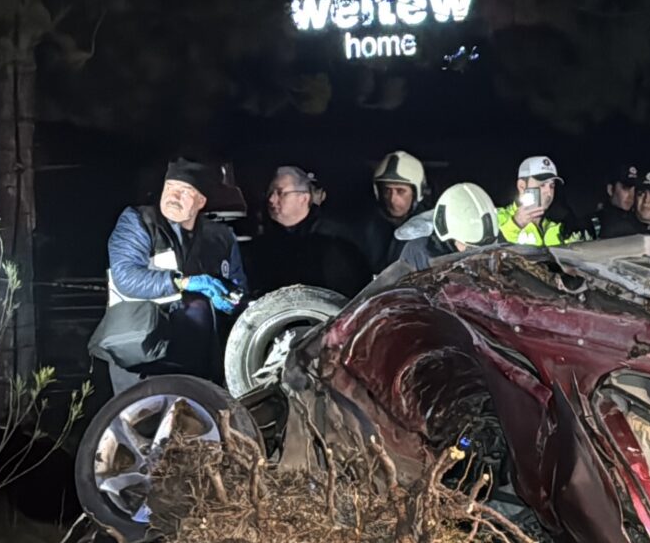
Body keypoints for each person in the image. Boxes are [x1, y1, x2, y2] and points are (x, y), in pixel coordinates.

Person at [104, 156, 244, 390]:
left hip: (199, 361)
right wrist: (183, 283)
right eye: (170, 187)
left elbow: (238, 287)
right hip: (142, 356)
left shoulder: (221, 237)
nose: (174, 196)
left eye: (185, 191)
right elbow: (126, 276)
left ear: (201, 201)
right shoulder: (138, 222)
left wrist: (232, 302)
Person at [240, 165, 372, 298]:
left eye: (281, 193)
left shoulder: (333, 237)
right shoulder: (263, 244)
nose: (271, 199)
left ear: (304, 198)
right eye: (269, 193)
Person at [340, 150, 426, 273]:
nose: (392, 199)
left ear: (416, 193)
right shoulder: (363, 228)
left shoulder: (430, 230)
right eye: (387, 190)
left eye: (400, 191)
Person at [498, 155, 575, 245]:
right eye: (542, 185)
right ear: (522, 186)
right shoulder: (496, 218)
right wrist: (515, 224)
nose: (549, 192)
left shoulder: (557, 230)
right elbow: (487, 248)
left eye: (552, 186)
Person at [589, 165, 643, 239]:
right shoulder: (593, 224)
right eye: (626, 188)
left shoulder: (640, 221)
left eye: (636, 190)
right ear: (610, 189)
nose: (631, 195)